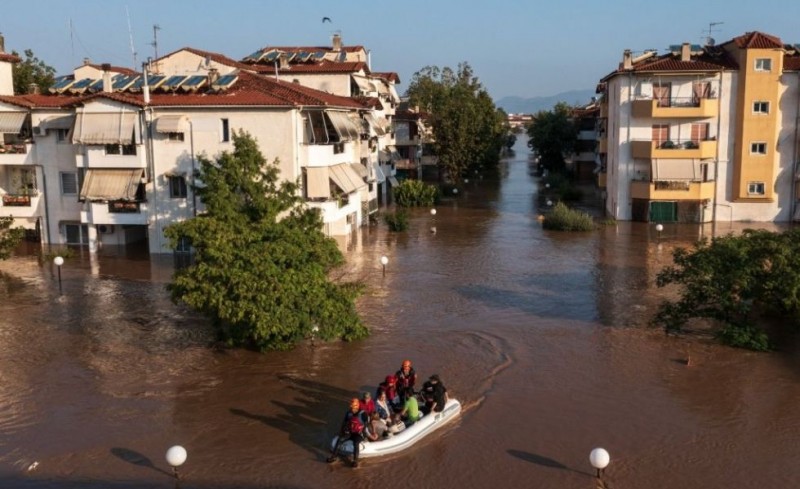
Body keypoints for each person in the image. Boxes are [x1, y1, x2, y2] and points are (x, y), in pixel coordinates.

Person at [328, 398, 367, 467]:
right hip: (350, 432)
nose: (352, 409)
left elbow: (366, 425)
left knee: (356, 443)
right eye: (351, 407)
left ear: (357, 406)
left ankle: (355, 461)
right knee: (340, 439)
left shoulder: (363, 414)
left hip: (358, 434)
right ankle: (333, 457)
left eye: (353, 407)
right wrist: (341, 431)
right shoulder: (348, 413)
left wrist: (365, 434)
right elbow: (344, 423)